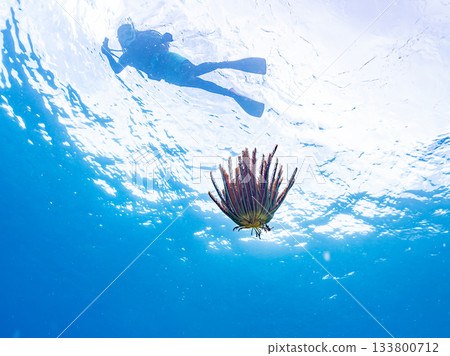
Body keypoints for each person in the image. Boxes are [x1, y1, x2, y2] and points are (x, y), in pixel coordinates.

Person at [101, 23, 266, 117]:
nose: (127, 37)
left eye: (127, 33)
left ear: (132, 31)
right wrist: (107, 53)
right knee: (202, 84)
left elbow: (160, 39)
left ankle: (228, 71)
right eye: (124, 36)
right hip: (169, 76)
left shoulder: (142, 39)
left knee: (196, 72)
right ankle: (231, 93)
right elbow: (117, 69)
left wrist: (164, 38)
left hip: (173, 65)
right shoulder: (128, 55)